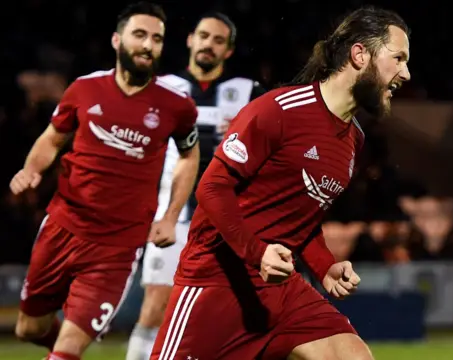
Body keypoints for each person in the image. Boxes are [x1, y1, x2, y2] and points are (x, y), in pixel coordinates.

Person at [151, 5, 410, 360]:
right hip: (217, 279)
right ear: (359, 54)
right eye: (398, 58)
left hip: (280, 285)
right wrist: (258, 254)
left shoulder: (354, 140)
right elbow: (212, 188)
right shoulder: (278, 110)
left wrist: (324, 265)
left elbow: (299, 218)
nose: (406, 73)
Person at [9, 3, 200, 360]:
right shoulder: (83, 89)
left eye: (156, 39)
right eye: (139, 35)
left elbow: (190, 156)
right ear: (117, 40)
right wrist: (32, 169)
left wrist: (171, 215)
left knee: (66, 350)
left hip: (117, 247)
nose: (148, 45)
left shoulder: (177, 105)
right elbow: (52, 138)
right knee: (28, 329)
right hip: (62, 228)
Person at [126, 11, 265, 360]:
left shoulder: (250, 94)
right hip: (172, 214)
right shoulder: (161, 88)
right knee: (156, 306)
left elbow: (272, 159)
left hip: (229, 222)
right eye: (204, 36)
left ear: (229, 51)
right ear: (190, 39)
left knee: (235, 314)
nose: (209, 45)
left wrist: (248, 135)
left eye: (219, 40)